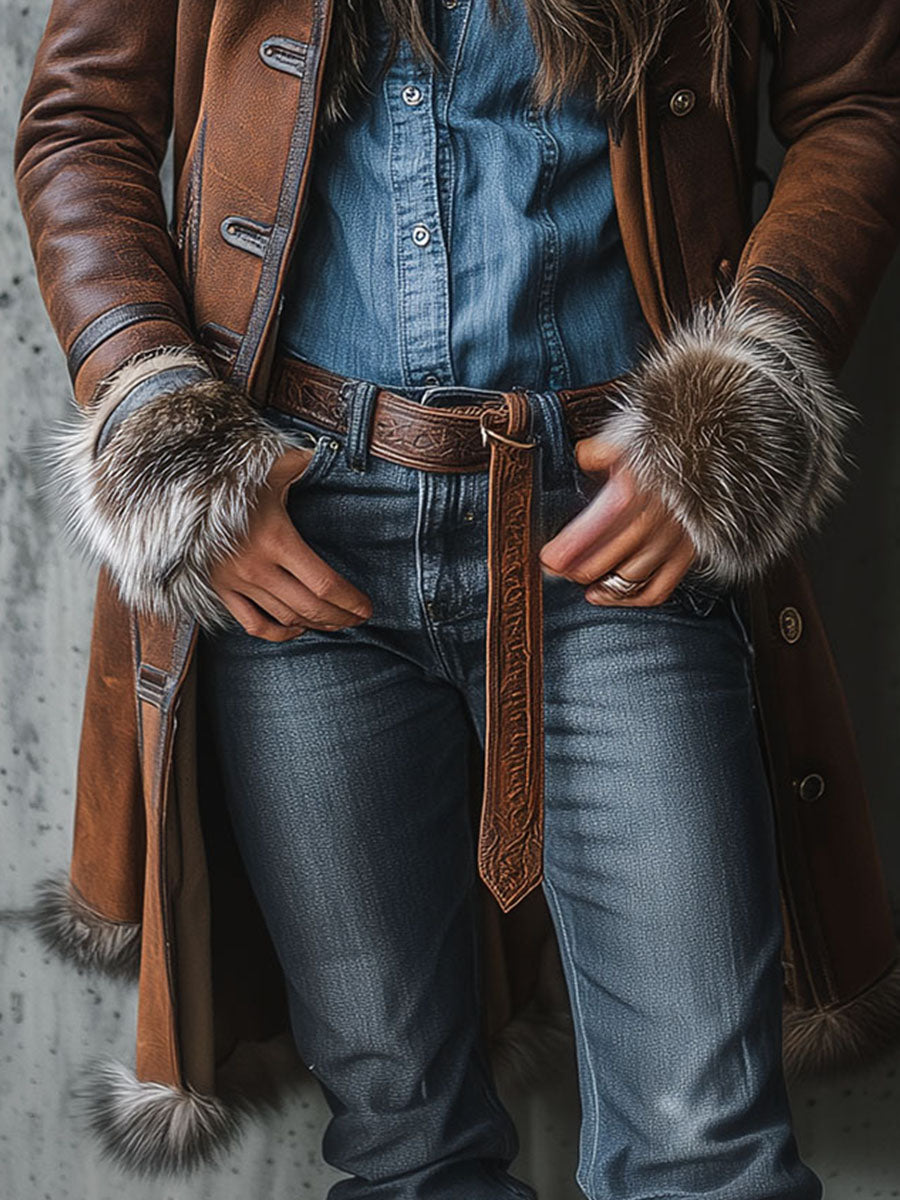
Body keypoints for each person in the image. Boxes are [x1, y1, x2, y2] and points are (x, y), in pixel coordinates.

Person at [14, 0, 900, 1196]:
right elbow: (82, 122)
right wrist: (157, 420)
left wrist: (743, 396)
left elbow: (860, 99)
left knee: (711, 1152)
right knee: (405, 1146)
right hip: (300, 548)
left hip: (610, 540)